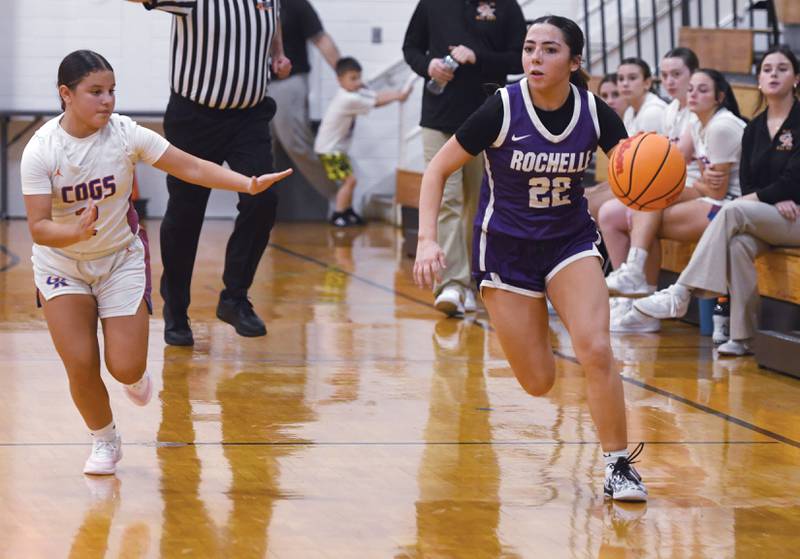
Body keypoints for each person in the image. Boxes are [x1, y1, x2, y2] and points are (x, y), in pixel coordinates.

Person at [19, 50, 291, 475]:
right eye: (95, 92)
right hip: (61, 266)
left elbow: (191, 167)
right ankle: (105, 440)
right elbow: (38, 228)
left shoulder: (126, 134)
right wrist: (74, 232)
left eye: (112, 91)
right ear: (66, 94)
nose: (107, 100)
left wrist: (247, 183)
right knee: (81, 363)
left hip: (118, 261)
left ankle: (134, 377)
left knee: (125, 366)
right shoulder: (41, 150)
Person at [413, 16, 647, 501]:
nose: (535, 57)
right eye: (529, 48)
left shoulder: (594, 112)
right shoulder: (501, 107)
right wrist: (426, 240)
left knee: (596, 349)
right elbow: (437, 169)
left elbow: (633, 173)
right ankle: (537, 323)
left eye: (549, 49)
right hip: (506, 250)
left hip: (569, 243)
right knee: (539, 382)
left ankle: (618, 466)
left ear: (574, 62)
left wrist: (653, 180)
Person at [131, 0, 292, 346]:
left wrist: (277, 53)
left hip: (250, 116)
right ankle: (176, 310)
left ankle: (234, 297)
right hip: (195, 117)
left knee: (263, 200)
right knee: (186, 214)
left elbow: (271, 18)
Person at [634, 45, 800, 355]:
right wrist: (768, 201)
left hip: (795, 215)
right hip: (769, 214)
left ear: (796, 78)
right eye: (767, 69)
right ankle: (743, 337)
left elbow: (794, 180)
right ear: (759, 80)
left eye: (782, 69)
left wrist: (766, 199)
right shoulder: (754, 127)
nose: (773, 74)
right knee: (738, 245)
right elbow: (749, 181)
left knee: (733, 210)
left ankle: (681, 291)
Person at [403, 0, 527, 317]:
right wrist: (428, 66)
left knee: (478, 205)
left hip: (486, 119)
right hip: (438, 119)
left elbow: (520, 58)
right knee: (448, 199)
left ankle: (473, 280)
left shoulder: (506, 7)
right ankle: (452, 285)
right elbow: (411, 48)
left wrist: (478, 57)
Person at [606, 69, 747, 333]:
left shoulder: (721, 127)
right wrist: (702, 183)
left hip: (734, 206)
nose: (693, 94)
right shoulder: (696, 122)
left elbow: (717, 191)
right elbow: (693, 174)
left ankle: (638, 283)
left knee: (648, 207)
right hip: (712, 199)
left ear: (719, 97)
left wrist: (700, 183)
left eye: (702, 90)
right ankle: (639, 296)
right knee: (646, 204)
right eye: (691, 89)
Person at [314, 57, 411, 227]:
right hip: (330, 150)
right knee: (350, 181)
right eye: (352, 78)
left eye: (359, 77)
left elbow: (373, 95)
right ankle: (338, 214)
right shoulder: (347, 99)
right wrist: (398, 96)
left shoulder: (352, 94)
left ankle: (347, 210)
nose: (358, 82)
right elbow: (376, 101)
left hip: (334, 150)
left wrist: (396, 95)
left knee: (350, 181)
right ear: (340, 80)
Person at [270, 0, 342, 204]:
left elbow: (321, 39)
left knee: (301, 143)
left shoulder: (356, 96)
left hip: (337, 155)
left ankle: (342, 194)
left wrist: (398, 95)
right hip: (336, 155)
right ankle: (344, 195)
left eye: (354, 78)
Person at [585, 58, 667, 219]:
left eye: (632, 78)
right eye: (621, 79)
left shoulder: (653, 112)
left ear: (647, 83)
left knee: (588, 206)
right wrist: (596, 190)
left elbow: (647, 172)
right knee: (585, 197)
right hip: (639, 181)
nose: (625, 83)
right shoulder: (630, 112)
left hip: (655, 184)